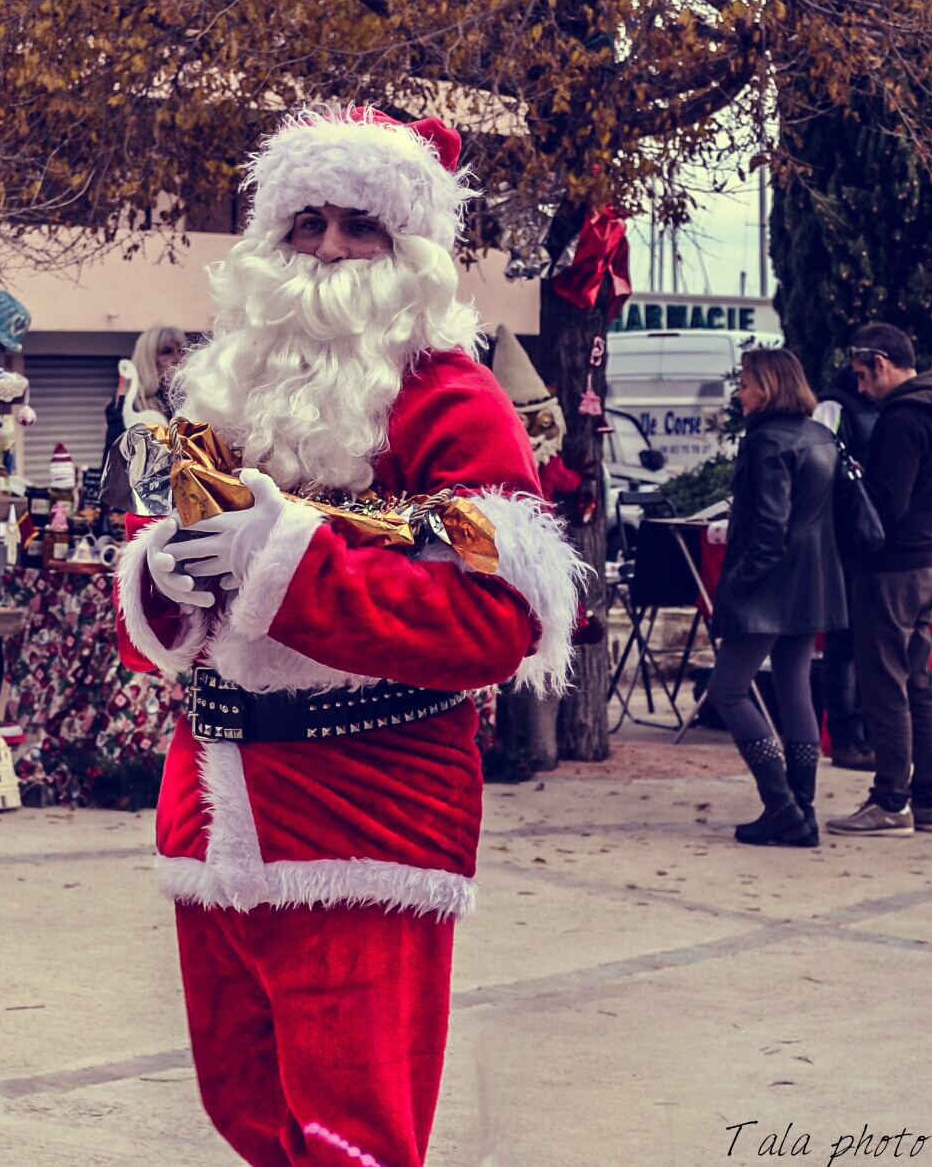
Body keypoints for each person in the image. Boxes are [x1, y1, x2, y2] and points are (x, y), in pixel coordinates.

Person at [113, 107, 582, 1167]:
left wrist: (286, 562)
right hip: (215, 811)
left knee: (351, 1139)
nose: (327, 249)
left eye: (359, 226)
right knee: (247, 1113)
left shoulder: (453, 399)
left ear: (408, 247)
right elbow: (166, 594)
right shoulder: (225, 386)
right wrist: (163, 578)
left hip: (368, 813)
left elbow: (493, 621)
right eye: (307, 222)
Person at [827, 323, 932, 838]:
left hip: (889, 567)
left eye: (863, 376)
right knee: (918, 683)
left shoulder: (901, 419)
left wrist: (854, 482)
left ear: (881, 363)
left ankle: (890, 801)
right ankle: (931, 798)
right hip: (921, 560)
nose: (860, 389)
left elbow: (887, 503)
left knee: (884, 685)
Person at [712, 349, 845, 846]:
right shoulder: (820, 435)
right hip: (813, 578)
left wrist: (741, 581)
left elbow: (770, 525)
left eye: (746, 384)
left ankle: (783, 807)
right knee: (794, 686)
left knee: (728, 690)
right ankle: (800, 810)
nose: (740, 393)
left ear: (768, 387)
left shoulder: (766, 441)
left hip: (770, 580)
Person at [811, 365, 879, 771]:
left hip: (865, 539)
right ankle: (847, 737)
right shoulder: (834, 407)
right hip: (843, 540)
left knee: (864, 644)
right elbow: (821, 466)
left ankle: (867, 734)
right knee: (844, 645)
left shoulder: (878, 408)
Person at [102, 324, 187, 469]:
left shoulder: (186, 401)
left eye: (181, 352)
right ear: (148, 359)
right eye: (167, 352)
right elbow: (114, 466)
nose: (178, 359)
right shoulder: (127, 407)